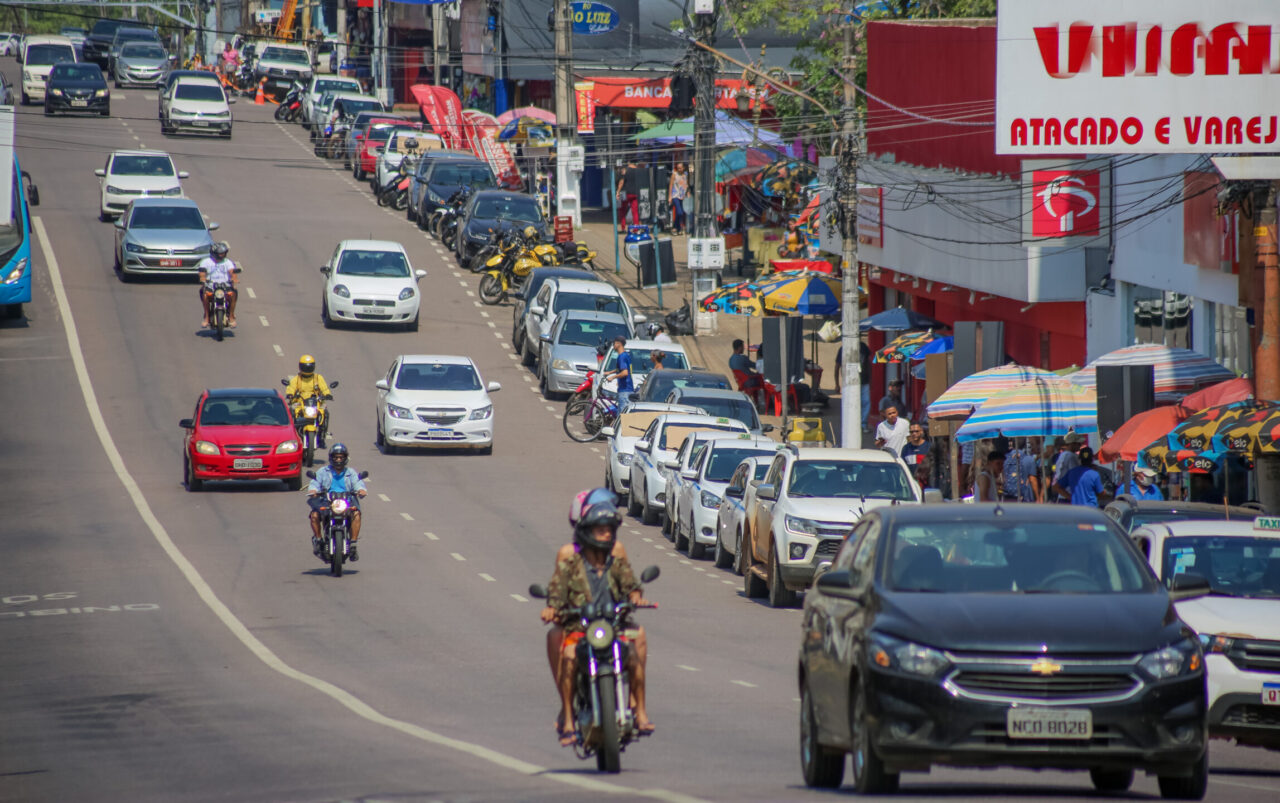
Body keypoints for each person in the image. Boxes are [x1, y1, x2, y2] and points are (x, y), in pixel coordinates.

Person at [540, 490, 654, 746]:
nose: (605, 533)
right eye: (599, 528)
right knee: (569, 655)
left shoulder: (616, 559)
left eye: (608, 528)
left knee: (636, 643)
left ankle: (640, 710)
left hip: (613, 625)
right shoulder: (569, 560)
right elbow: (557, 593)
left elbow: (630, 585)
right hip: (580, 627)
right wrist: (552, 609)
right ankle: (568, 718)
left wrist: (636, 596)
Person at [307, 444, 368, 560]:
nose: (338, 460)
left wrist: (361, 491)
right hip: (327, 502)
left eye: (341, 457)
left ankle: (353, 544)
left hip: (347, 502)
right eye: (336, 457)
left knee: (357, 514)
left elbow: (358, 484)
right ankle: (319, 540)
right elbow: (314, 483)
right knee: (314, 516)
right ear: (331, 458)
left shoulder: (351, 473)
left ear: (345, 458)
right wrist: (313, 491)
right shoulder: (322, 471)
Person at [285, 354, 335, 446]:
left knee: (326, 413)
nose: (307, 369)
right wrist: (290, 394)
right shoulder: (296, 379)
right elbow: (291, 388)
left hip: (316, 402)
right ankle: (291, 436)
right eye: (305, 367)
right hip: (300, 402)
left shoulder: (318, 378)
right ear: (300, 367)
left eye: (309, 367)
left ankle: (322, 436)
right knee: (291, 411)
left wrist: (327, 394)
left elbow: (324, 388)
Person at [197, 241, 239, 328]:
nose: (222, 255)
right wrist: (203, 278)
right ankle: (207, 317)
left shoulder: (228, 262)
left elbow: (232, 272)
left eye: (223, 254)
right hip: (211, 286)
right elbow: (202, 272)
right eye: (220, 254)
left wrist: (234, 279)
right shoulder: (206, 262)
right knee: (204, 293)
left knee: (234, 293)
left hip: (225, 286)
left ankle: (231, 316)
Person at [616, 162, 640, 231]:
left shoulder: (625, 170)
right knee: (635, 212)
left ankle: (623, 228)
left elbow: (621, 182)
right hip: (635, 193)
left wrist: (618, 192)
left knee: (622, 210)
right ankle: (636, 229)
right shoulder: (638, 171)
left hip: (625, 193)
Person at [668, 162, 688, 234]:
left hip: (682, 196)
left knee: (681, 212)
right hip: (675, 195)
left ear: (683, 168)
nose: (679, 169)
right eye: (678, 168)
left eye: (680, 168)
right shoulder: (674, 175)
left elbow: (686, 185)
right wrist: (670, 196)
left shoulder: (685, 175)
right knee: (679, 212)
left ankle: (677, 228)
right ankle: (677, 227)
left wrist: (687, 194)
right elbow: (670, 185)